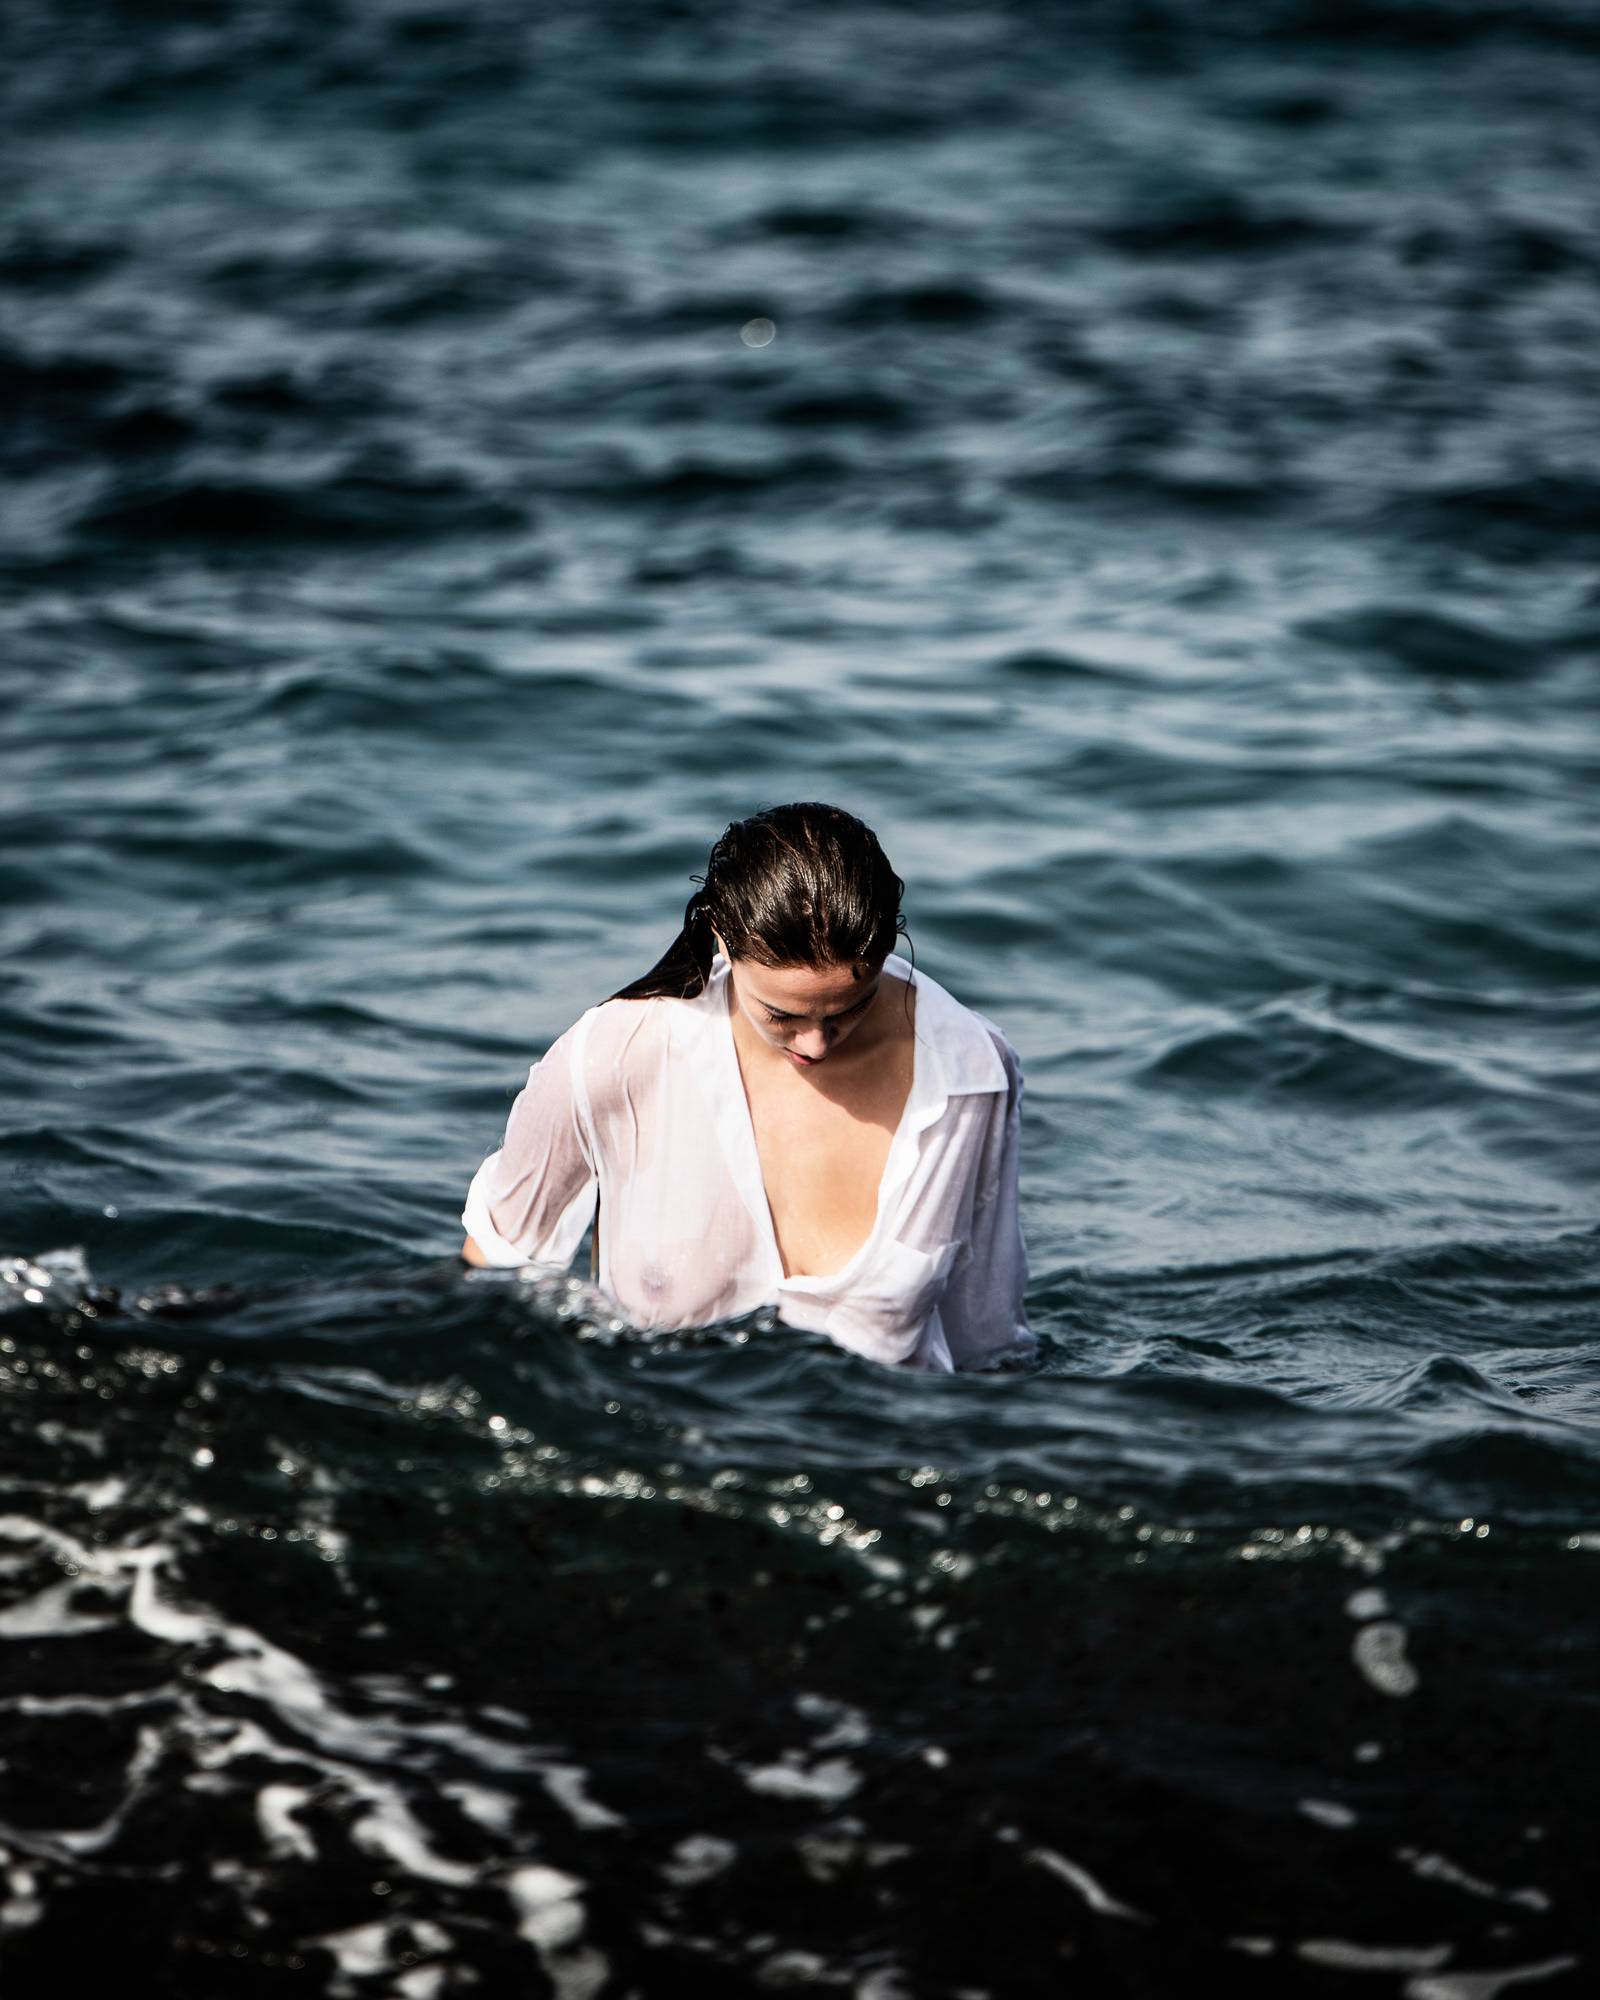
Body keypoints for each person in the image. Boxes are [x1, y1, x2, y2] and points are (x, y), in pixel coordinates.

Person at [461, 803, 1032, 1371]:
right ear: (722, 943)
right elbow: (492, 1278)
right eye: (782, 1015)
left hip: (875, 1450)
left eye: (848, 1010)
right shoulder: (614, 1055)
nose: (816, 1046)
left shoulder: (970, 1075)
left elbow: (986, 1342)